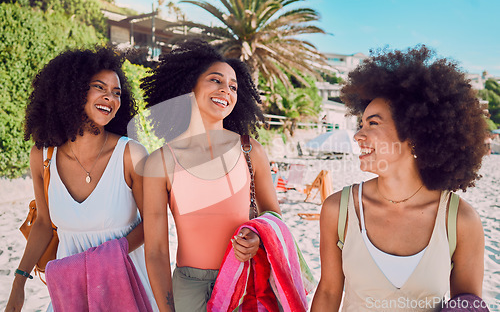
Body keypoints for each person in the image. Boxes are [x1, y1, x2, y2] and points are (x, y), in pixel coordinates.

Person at [311, 46, 487, 311]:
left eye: (373, 123)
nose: (359, 135)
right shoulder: (338, 209)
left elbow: (468, 303)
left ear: (414, 133)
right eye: (360, 124)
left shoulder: (460, 219)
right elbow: (328, 292)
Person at [5, 46, 158, 311]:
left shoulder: (130, 154)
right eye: (100, 87)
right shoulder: (42, 155)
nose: (110, 98)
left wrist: (105, 257)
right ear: (73, 91)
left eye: (117, 93)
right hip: (69, 292)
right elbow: (43, 223)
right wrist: (19, 283)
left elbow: (153, 225)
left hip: (128, 290)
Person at [140, 40, 281, 312]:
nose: (225, 90)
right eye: (215, 80)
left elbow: (273, 215)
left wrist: (258, 237)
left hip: (245, 282)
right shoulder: (161, 161)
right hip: (188, 289)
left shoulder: (250, 150)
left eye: (233, 86)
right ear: (189, 86)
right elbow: (156, 251)